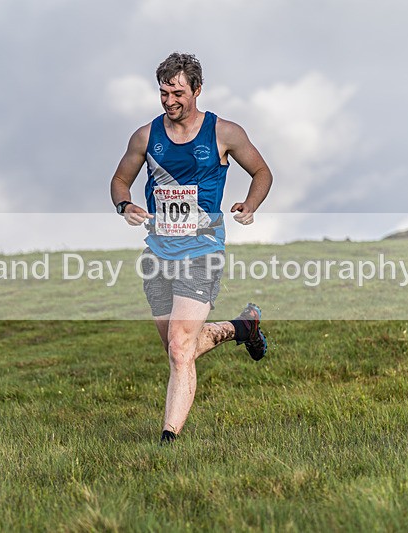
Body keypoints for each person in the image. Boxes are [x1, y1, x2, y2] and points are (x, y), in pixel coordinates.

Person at [109, 53, 273, 444]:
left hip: (202, 250)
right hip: (157, 254)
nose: (169, 101)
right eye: (163, 93)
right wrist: (125, 205)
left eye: (178, 93)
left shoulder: (224, 132)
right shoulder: (145, 137)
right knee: (178, 345)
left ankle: (168, 441)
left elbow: (262, 172)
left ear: (197, 90)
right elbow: (119, 180)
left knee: (180, 348)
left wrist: (250, 205)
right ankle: (242, 327)